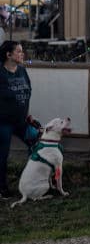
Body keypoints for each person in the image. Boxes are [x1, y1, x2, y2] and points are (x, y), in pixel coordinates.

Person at [0, 40, 40, 199]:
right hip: (3, 122)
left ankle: (34, 180)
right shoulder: (1, 74)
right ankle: (2, 188)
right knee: (2, 155)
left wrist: (27, 114)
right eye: (18, 51)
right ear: (8, 55)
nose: (22, 54)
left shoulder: (22, 71)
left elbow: (27, 92)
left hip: (21, 121)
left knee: (36, 141)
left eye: (22, 51)